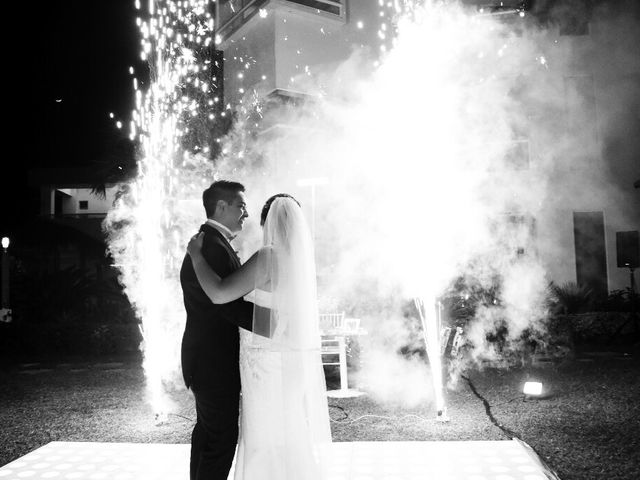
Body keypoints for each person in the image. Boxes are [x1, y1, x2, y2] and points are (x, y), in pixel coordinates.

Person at [187, 193, 332, 480]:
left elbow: (219, 293)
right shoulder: (298, 263)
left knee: (264, 438)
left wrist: (195, 255)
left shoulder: (269, 256)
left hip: (265, 368)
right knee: (288, 433)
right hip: (289, 363)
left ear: (268, 223)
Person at [179, 180, 255, 480]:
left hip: (206, 358)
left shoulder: (211, 241)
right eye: (241, 206)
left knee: (209, 435)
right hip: (213, 362)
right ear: (221, 206)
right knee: (220, 440)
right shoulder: (211, 246)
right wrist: (279, 324)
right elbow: (227, 305)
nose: (245, 214)